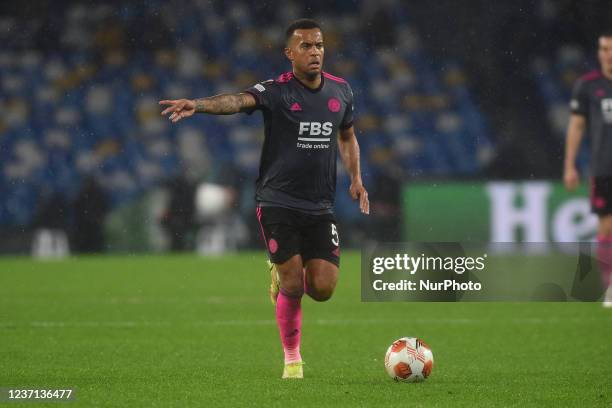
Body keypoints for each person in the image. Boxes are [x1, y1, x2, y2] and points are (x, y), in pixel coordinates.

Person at [159, 19, 369, 377]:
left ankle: (284, 277)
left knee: (322, 288)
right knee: (292, 283)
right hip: (277, 201)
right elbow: (237, 100)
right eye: (306, 46)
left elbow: (346, 137)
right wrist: (198, 104)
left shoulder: (341, 92)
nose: (315, 51)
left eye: (319, 45)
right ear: (290, 53)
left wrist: (357, 179)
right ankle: (292, 359)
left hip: (320, 206)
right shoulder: (277, 91)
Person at [564, 30, 612, 307]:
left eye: (610, 48)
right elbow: (577, 126)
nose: (607, 54)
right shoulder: (587, 85)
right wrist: (570, 165)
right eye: (603, 48)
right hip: (604, 167)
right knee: (606, 228)